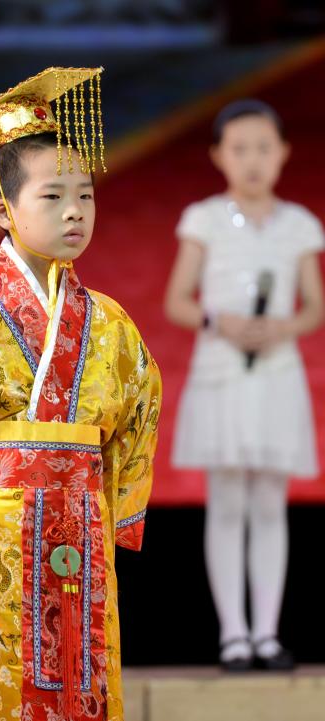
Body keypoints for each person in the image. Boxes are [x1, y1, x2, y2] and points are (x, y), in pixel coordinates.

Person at [0, 67, 161, 721]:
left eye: (85, 195)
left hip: (83, 528)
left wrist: (112, 516)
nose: (75, 210)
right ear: (4, 212)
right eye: (52, 196)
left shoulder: (110, 323)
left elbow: (139, 419)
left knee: (80, 682)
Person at [164, 99, 324, 671]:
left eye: (263, 148)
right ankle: (233, 634)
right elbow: (178, 301)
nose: (252, 160)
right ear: (218, 156)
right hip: (223, 369)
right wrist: (220, 321)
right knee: (228, 499)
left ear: (282, 154)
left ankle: (267, 635)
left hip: (276, 371)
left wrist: (283, 328)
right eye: (239, 149)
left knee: (270, 502)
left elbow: (315, 307)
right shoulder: (203, 219)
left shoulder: (300, 224)